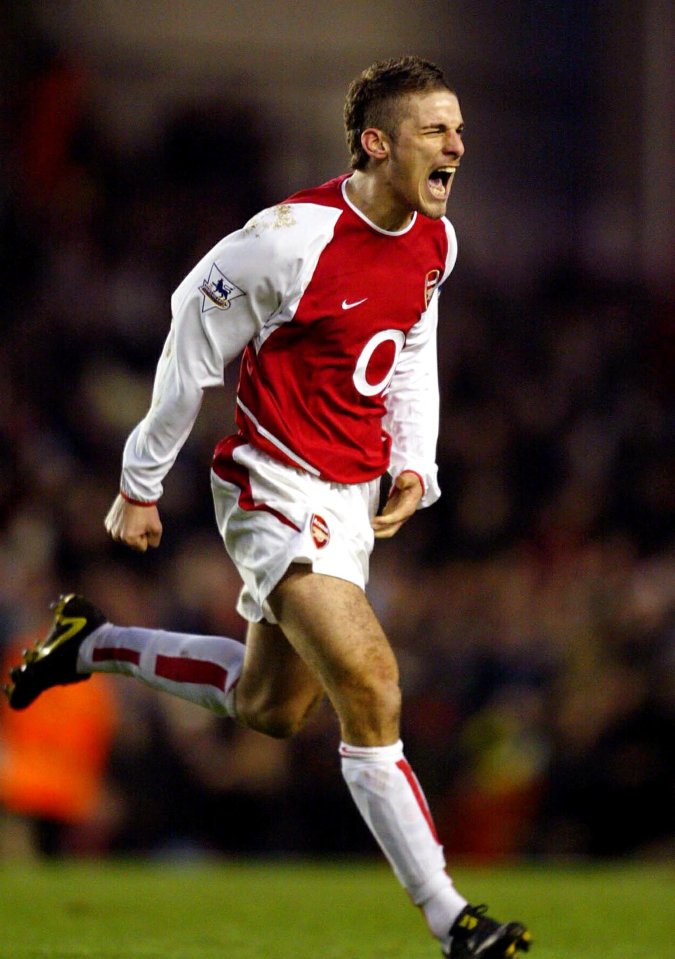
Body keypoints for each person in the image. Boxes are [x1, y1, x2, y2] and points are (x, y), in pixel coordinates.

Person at [5, 57, 531, 958]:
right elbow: (188, 335)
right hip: (271, 483)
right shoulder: (287, 238)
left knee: (271, 707)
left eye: (458, 128)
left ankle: (89, 642)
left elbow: (410, 348)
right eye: (436, 129)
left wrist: (412, 460)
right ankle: (454, 919)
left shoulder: (433, 244)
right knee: (371, 682)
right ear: (376, 142)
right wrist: (139, 482)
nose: (456, 144)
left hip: (351, 495)